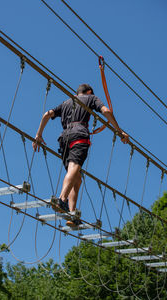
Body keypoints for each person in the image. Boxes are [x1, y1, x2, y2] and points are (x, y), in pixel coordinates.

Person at [32, 83, 129, 227]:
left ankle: (71, 214)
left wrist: (38, 134)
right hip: (79, 135)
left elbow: (47, 114)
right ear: (89, 92)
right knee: (74, 168)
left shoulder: (66, 102)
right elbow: (106, 111)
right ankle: (62, 199)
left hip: (64, 139)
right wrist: (119, 131)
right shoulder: (91, 98)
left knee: (77, 178)